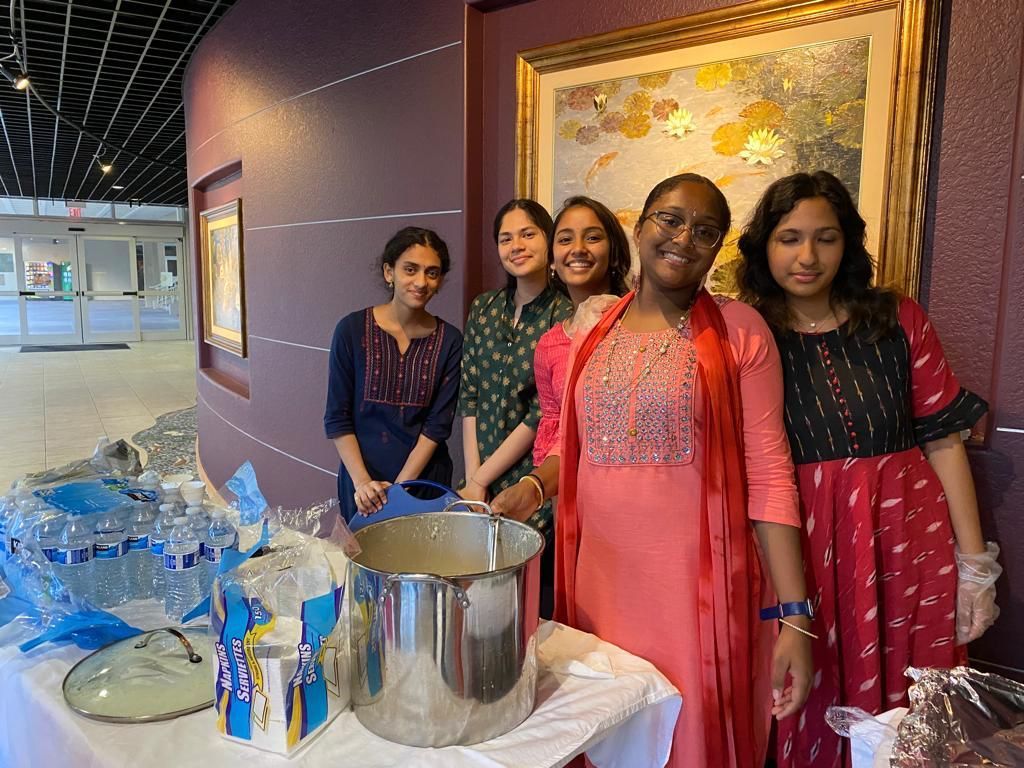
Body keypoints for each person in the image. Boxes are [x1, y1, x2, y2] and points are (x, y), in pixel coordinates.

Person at [736, 170, 1001, 768]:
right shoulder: (748, 336)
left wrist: (974, 563)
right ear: (763, 247)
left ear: (848, 244)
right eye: (789, 237)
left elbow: (942, 439)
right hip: (801, 546)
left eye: (825, 238)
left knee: (917, 706)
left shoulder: (897, 319)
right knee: (813, 694)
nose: (808, 256)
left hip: (908, 538)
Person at [554, 174, 812, 768]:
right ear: (640, 226)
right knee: (607, 733)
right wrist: (529, 488)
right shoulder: (591, 332)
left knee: (689, 740)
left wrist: (796, 619)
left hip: (697, 597)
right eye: (670, 219)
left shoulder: (740, 330)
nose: (684, 237)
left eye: (706, 231)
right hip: (600, 588)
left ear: (718, 249)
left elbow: (770, 474)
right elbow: (575, 447)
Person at [458, 199, 572, 615]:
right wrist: (473, 478)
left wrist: (483, 480)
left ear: (547, 241)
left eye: (528, 234)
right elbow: (468, 392)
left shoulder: (566, 314)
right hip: (476, 481)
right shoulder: (484, 308)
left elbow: (543, 412)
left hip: (530, 483)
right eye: (506, 238)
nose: (516, 245)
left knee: (526, 602)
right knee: (476, 604)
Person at [490, 195, 630, 522]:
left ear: (613, 252)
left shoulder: (637, 323)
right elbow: (557, 436)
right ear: (553, 259)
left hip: (632, 504)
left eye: (593, 237)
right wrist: (537, 489)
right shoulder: (550, 344)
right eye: (565, 239)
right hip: (574, 509)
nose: (577, 248)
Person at [324, 227, 463, 523]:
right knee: (365, 566)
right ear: (389, 272)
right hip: (362, 486)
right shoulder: (350, 330)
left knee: (423, 566)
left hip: (424, 485)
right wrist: (363, 484)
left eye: (432, 273)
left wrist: (399, 493)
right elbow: (337, 417)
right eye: (410, 269)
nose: (421, 282)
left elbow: (437, 427)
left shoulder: (451, 341)